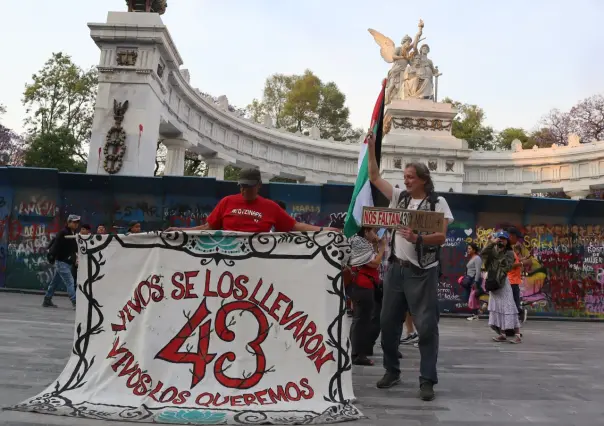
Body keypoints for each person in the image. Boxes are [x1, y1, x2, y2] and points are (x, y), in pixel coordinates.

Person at [366, 131, 453, 401]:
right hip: (396, 269)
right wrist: (371, 149)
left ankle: (427, 380)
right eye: (405, 177)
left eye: (410, 177)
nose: (406, 180)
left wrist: (418, 238)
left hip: (422, 272)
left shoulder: (437, 203)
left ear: (423, 179)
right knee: (387, 322)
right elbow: (374, 177)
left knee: (426, 327)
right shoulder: (400, 198)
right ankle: (392, 370)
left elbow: (441, 236)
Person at [166, 169, 339, 233]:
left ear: (259, 186)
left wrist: (323, 229)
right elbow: (207, 228)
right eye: (241, 186)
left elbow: (295, 226)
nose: (244, 190)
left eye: (249, 186)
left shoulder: (270, 207)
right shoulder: (227, 202)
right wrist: (180, 230)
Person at [348, 227, 386, 366]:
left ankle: (356, 351)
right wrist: (382, 249)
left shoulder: (363, 244)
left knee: (360, 320)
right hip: (362, 285)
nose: (375, 235)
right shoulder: (359, 243)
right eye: (372, 232)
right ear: (365, 232)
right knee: (362, 321)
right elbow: (374, 263)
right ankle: (358, 354)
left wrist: (376, 244)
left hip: (364, 285)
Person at [481, 231, 522, 343]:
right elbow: (483, 253)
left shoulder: (509, 252)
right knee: (498, 308)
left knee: (509, 307)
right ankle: (502, 334)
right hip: (492, 282)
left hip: (502, 283)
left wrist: (496, 257)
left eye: (504, 239)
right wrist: (491, 243)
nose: (501, 240)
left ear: (507, 241)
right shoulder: (493, 249)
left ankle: (517, 335)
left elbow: (506, 267)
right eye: (499, 238)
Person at [43, 214, 80, 310]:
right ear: (69, 222)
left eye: (77, 222)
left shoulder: (72, 232)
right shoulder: (63, 232)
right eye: (74, 222)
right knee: (70, 281)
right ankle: (75, 302)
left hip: (66, 262)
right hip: (62, 261)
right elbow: (56, 244)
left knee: (55, 282)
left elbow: (73, 247)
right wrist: (52, 255)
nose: (76, 224)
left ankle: (47, 299)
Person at [507, 227, 530, 323]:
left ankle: (514, 323)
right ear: (511, 236)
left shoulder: (511, 250)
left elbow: (513, 261)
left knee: (514, 303)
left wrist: (523, 259)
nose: (517, 241)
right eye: (517, 238)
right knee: (513, 304)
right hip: (511, 281)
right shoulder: (508, 250)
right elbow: (509, 265)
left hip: (514, 280)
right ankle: (519, 315)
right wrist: (522, 263)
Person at [464, 242, 483, 321]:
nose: (468, 250)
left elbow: (478, 271)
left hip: (474, 280)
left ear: (474, 250)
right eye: (468, 248)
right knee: (472, 298)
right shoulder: (472, 258)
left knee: (473, 298)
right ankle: (475, 313)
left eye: (469, 249)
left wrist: (475, 281)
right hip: (470, 279)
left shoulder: (477, 258)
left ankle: (476, 314)